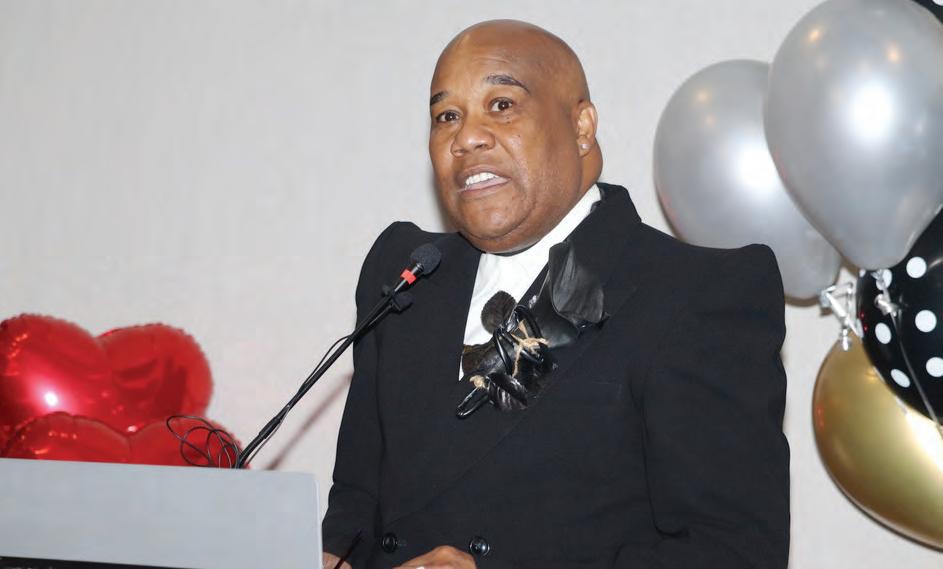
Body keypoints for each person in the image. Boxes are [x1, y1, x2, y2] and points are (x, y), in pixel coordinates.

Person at [322, 19, 789, 569]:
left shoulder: (697, 294)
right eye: (446, 116)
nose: (465, 137)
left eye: (501, 105)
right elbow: (355, 506)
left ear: (582, 126)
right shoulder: (408, 276)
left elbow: (732, 554)